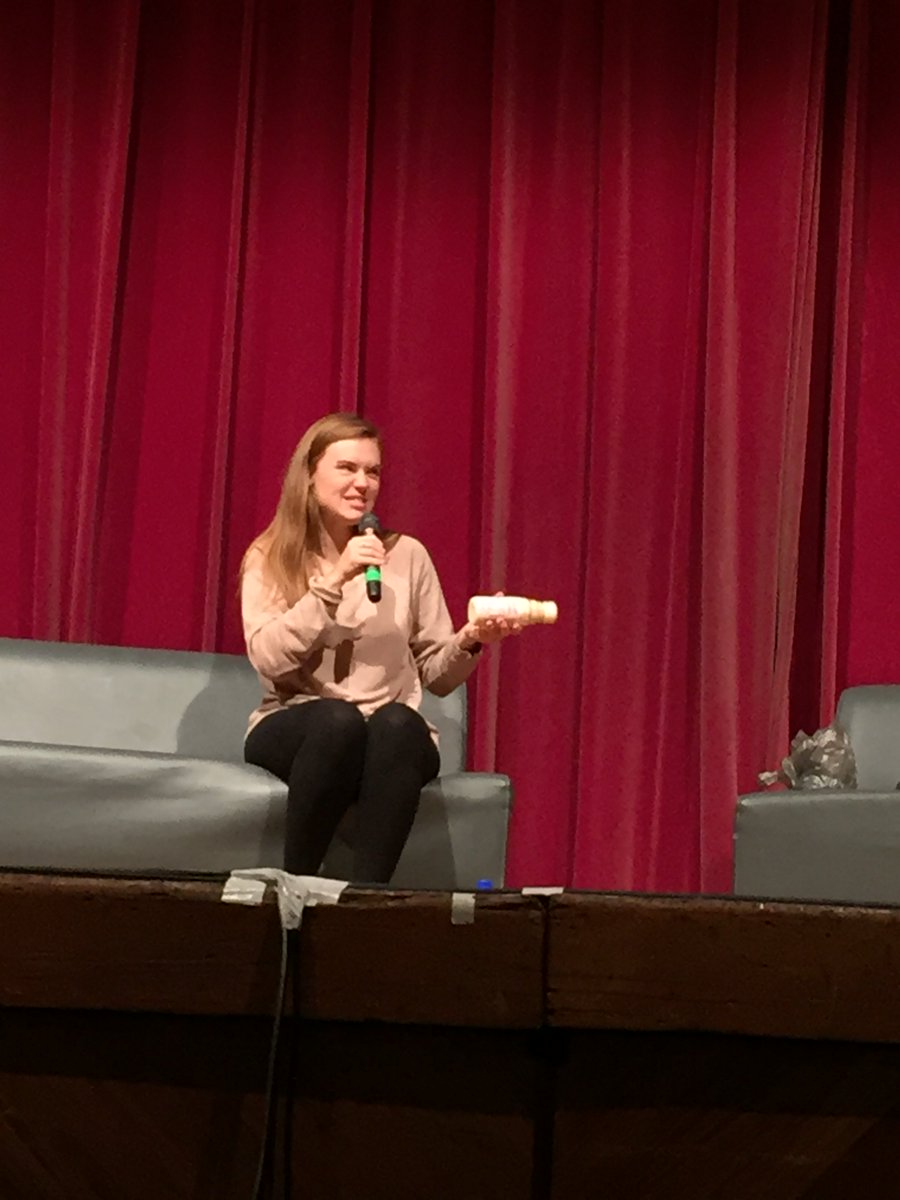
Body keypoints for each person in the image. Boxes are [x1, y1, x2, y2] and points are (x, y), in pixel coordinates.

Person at [240, 412, 519, 884]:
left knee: (399, 724)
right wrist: (333, 581)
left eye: (372, 472)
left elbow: (437, 676)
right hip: (299, 722)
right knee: (339, 721)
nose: (362, 483)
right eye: (347, 468)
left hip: (386, 734)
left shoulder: (407, 555)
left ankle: (366, 899)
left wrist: (472, 639)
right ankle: (298, 887)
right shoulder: (272, 555)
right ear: (309, 476)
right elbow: (269, 659)